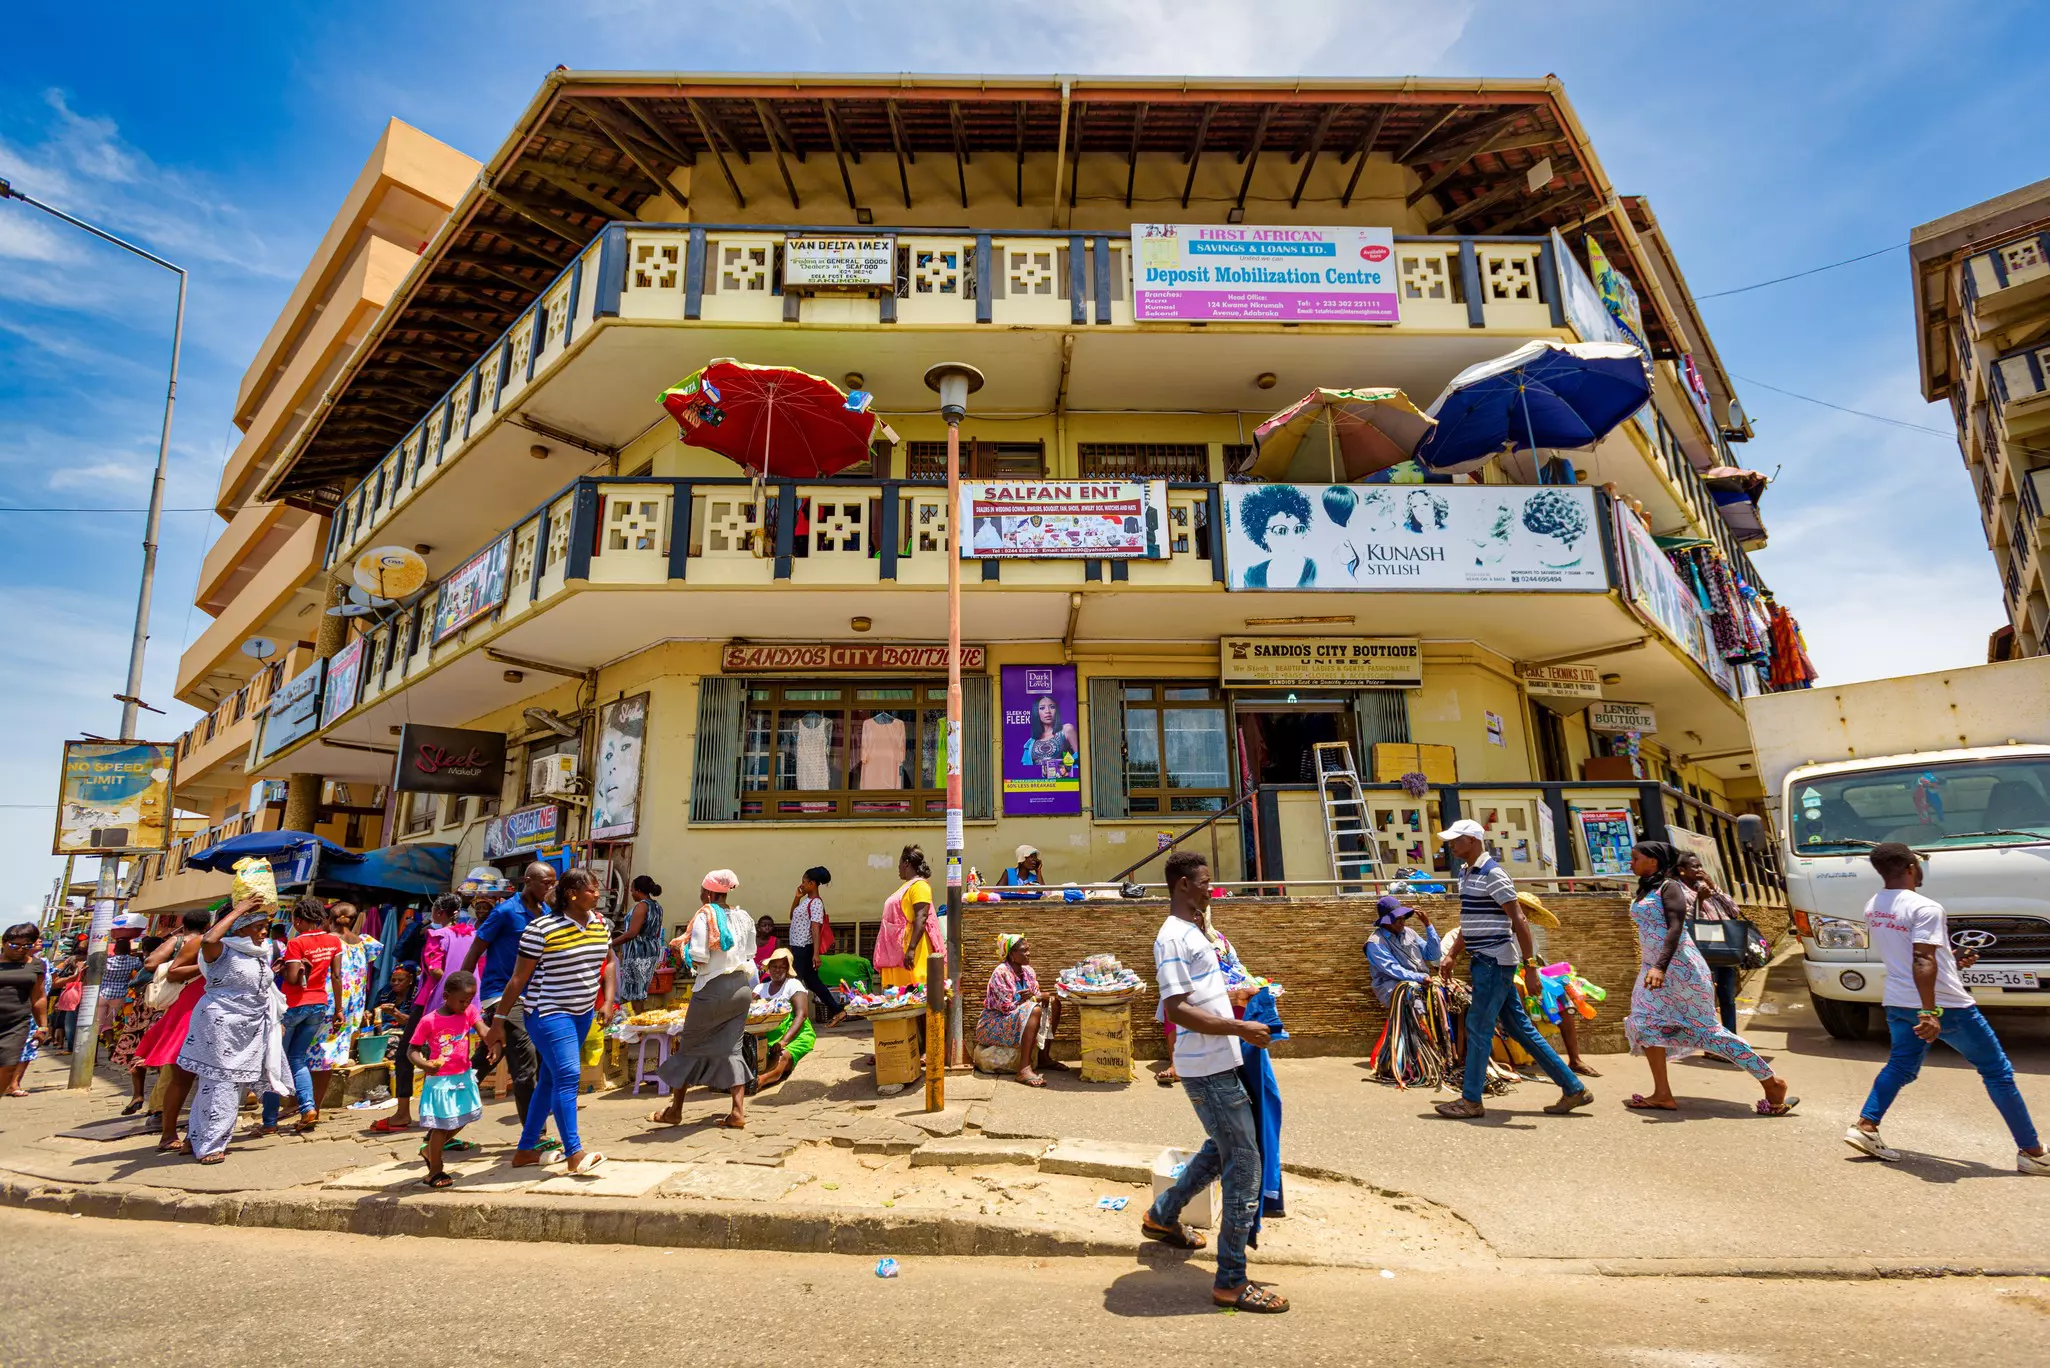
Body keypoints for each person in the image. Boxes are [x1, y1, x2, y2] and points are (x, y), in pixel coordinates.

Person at [1845, 843, 2048, 1173]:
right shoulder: (1926, 907)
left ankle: (1865, 1127)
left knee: (1900, 1067)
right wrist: (1930, 1012)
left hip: (1898, 1001)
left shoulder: (1874, 906)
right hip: (1945, 1005)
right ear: (1911, 866)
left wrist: (1952, 962)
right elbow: (1922, 958)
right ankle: (2032, 1151)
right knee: (1997, 1072)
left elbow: (1913, 954)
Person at [1141, 851, 1285, 1314]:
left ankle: (1162, 1217)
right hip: (1206, 1066)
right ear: (1183, 884)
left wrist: (1235, 997)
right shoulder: (1171, 938)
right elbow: (1178, 1008)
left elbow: (1201, 994)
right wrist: (1242, 1029)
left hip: (1219, 1059)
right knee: (1245, 1163)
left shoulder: (1194, 933)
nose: (1210, 888)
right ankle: (1231, 1281)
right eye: (1203, 881)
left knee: (1221, 1149)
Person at [1620, 842, 1797, 1115]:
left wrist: (1661, 966)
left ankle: (1772, 1082)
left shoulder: (1671, 888)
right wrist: (1653, 967)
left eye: (1635, 858)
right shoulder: (1646, 888)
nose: (1629, 862)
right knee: (1645, 1023)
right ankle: (1662, 1093)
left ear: (1653, 861)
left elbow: (1676, 928)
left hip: (1680, 969)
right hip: (1653, 969)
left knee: (1707, 1031)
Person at [1431, 819, 1592, 1120]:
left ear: (1473, 840)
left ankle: (1470, 1101)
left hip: (1494, 961)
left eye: (1456, 840)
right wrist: (1452, 953)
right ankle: (1573, 1088)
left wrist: (1530, 967)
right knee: (1519, 1028)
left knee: (1478, 1027)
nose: (1451, 845)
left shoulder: (1494, 874)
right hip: (1486, 960)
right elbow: (1471, 921)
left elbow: (1519, 921)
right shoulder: (1467, 873)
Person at [484, 867, 611, 1174]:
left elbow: (609, 964)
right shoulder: (540, 929)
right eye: (592, 889)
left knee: (551, 1080)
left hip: (582, 1015)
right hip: (547, 1014)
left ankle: (525, 1150)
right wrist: (498, 1020)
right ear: (572, 894)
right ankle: (574, 1153)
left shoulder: (601, 925)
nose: (597, 894)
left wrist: (608, 1000)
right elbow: (517, 979)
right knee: (568, 1076)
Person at [176, 897, 286, 1164]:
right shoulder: (222, 951)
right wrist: (239, 910)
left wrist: (275, 1021)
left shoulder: (260, 953)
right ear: (240, 928)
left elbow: (262, 989)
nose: (264, 932)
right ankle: (212, 1145)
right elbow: (208, 941)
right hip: (221, 1025)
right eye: (258, 926)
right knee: (221, 1084)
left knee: (223, 1085)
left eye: (266, 927)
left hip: (249, 1026)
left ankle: (195, 1136)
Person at [649, 870, 758, 1129]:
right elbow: (750, 952)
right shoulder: (744, 917)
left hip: (712, 989)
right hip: (741, 989)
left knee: (689, 1047)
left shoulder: (704, 916)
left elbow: (700, 957)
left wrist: (683, 949)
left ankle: (675, 1110)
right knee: (733, 1048)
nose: (700, 897)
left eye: (701, 892)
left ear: (709, 893)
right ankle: (737, 1112)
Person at [459, 863, 554, 1144]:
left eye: (552, 883)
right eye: (544, 883)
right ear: (528, 881)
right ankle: (534, 1135)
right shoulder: (505, 912)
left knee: (487, 1058)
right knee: (526, 1066)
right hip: (500, 994)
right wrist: (465, 990)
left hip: (533, 995)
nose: (549, 888)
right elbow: (477, 948)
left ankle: (440, 1128)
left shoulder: (547, 914)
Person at [378, 893, 465, 1135]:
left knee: (408, 1052)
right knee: (448, 1054)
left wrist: (444, 983)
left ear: (438, 913)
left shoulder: (436, 936)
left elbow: (435, 970)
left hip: (429, 1000)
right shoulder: (469, 935)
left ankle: (404, 1113)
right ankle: (446, 1112)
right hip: (462, 1002)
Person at [266, 895, 342, 1135]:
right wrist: (338, 1009)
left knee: (274, 1061)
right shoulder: (334, 941)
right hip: (320, 1004)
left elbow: (292, 980)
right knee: (297, 1058)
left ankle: (269, 1121)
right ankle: (309, 1108)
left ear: (298, 920)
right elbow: (337, 976)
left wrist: (281, 967)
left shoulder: (296, 943)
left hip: (293, 1005)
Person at [142, 910, 213, 1150]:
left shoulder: (244, 946)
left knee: (207, 1079)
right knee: (181, 1075)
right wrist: (203, 967)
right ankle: (167, 1132)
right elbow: (172, 972)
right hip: (190, 1009)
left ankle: (196, 1134)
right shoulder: (200, 942)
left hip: (213, 1011)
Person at [873, 845, 943, 1088]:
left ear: (906, 863)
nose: (897, 869)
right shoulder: (905, 886)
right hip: (897, 955)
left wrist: (911, 949)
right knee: (901, 1003)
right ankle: (901, 1045)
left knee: (918, 1001)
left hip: (911, 955)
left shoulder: (919, 886)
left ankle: (925, 1050)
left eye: (899, 864)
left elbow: (921, 917)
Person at [410, 969, 487, 1189]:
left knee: (464, 1117)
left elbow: (483, 1030)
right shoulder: (429, 1021)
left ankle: (429, 1150)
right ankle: (435, 1169)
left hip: (463, 1076)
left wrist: (495, 1039)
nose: (465, 1004)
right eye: (462, 1000)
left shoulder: (470, 1012)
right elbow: (412, 1050)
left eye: (469, 1000)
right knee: (441, 1126)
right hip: (440, 1081)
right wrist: (424, 1064)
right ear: (446, 997)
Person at [977, 933, 1063, 1087]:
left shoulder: (1028, 971)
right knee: (1035, 1009)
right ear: (1011, 955)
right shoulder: (1001, 973)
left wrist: (1038, 998)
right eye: (1024, 950)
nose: (1028, 953)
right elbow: (1006, 1008)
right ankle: (1023, 1069)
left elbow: (1035, 996)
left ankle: (1044, 1058)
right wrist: (1034, 998)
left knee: (1054, 1003)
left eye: (1028, 949)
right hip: (994, 1024)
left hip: (1015, 1018)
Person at [1677, 852, 1743, 1033]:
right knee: (1707, 999)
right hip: (1704, 952)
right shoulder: (1680, 892)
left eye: (1700, 866)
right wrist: (1699, 899)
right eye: (1694, 867)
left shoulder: (1709, 887)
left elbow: (1734, 911)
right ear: (1682, 871)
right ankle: (1711, 1042)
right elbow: (1687, 922)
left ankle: (1731, 1039)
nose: (1699, 870)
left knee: (1728, 997)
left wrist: (1714, 887)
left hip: (1725, 948)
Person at [0, 923, 52, 1100]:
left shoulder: (36, 966)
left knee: (8, 1066)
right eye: (15, 945)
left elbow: (39, 997)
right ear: (4, 942)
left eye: (27, 946)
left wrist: (43, 1026)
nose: (20, 950)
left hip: (16, 1024)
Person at [786, 867, 841, 1023]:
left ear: (813, 883)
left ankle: (795, 1018)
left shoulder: (816, 903)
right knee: (813, 983)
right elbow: (792, 916)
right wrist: (797, 897)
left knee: (794, 982)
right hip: (798, 946)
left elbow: (815, 929)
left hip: (804, 948)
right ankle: (837, 1010)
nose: (802, 885)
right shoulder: (806, 901)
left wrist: (816, 954)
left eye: (804, 882)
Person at [752, 948, 813, 1087]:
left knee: (782, 1056)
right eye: (774, 966)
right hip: (765, 1035)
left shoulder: (793, 984)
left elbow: (801, 1015)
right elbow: (749, 1011)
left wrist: (784, 1041)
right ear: (769, 968)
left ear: (787, 970)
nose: (777, 970)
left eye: (782, 967)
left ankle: (760, 1082)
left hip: (795, 1035)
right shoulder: (760, 988)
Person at [1236, 483, 1316, 589]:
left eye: (1298, 529)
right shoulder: (1251, 575)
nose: (1292, 537)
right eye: (1281, 530)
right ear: (1263, 535)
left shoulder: (1315, 570)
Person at [1365, 894, 1441, 1005]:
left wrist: (1428, 925)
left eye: (1403, 918)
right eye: (1397, 919)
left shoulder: (1409, 932)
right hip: (1393, 985)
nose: (1402, 922)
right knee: (1417, 1005)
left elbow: (1433, 955)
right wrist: (1421, 978)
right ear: (1386, 921)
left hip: (1421, 981)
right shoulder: (1375, 943)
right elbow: (1393, 969)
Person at [612, 875, 666, 1010]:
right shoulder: (657, 907)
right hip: (651, 950)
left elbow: (632, 933)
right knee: (640, 989)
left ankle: (636, 1024)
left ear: (638, 890)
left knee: (634, 992)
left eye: (632, 890)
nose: (631, 894)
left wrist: (610, 944)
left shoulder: (642, 906)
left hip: (638, 952)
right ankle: (637, 1022)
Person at [1021, 696, 1080, 780]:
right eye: (1042, 708)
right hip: (1037, 784)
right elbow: (1026, 769)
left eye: (1052, 707)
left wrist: (1062, 767)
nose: (1047, 711)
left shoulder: (1066, 729)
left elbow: (1081, 757)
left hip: (1061, 784)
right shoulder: (1031, 742)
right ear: (1036, 712)